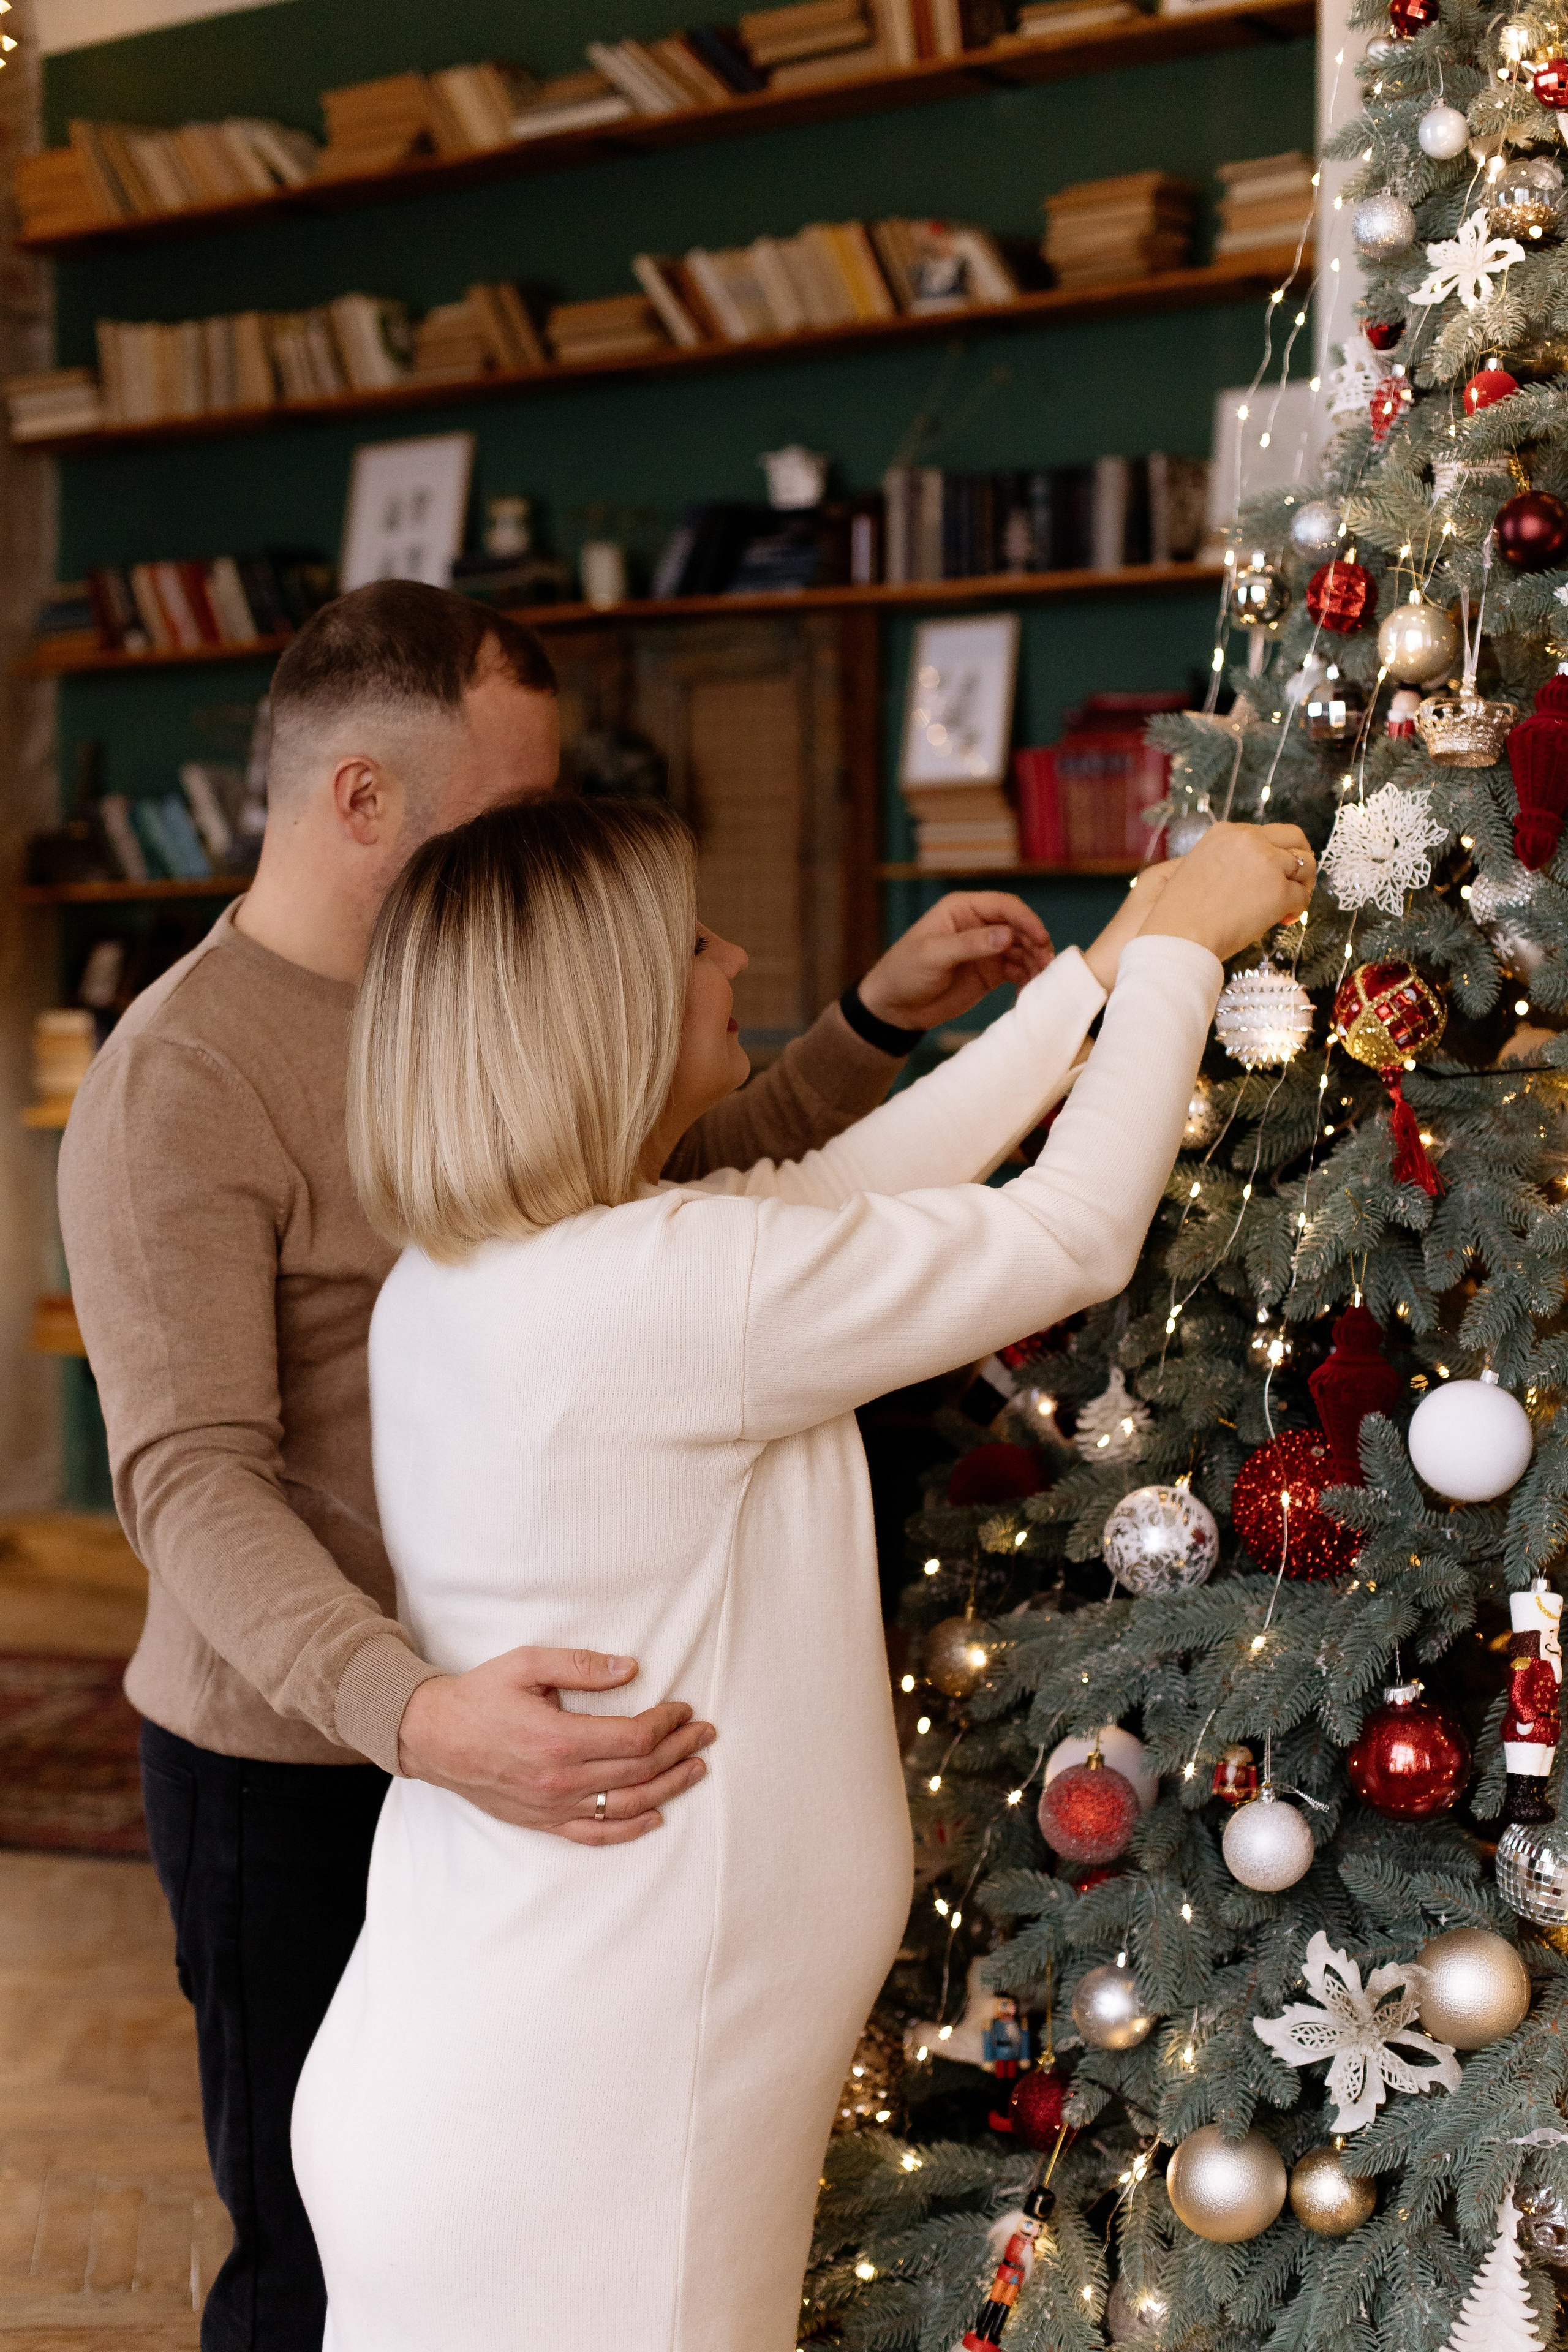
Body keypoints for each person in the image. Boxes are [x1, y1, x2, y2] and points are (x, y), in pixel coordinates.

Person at [56, 578, 1076, 2352]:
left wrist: (873, 1024)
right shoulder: (183, 1079)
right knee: (316, 2257)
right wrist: (416, 1716)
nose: (545, 857)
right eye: (515, 813)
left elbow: (673, 1204)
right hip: (306, 1754)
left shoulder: (477, 995)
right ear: (364, 801)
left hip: (507, 1734)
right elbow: (192, 1478)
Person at [293, 794, 1314, 2350]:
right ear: (603, 1014)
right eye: (690, 938)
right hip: (591, 2111)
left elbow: (848, 1190)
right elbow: (1065, 1237)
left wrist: (1094, 970)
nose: (732, 955)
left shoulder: (508, 1268)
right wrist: (1180, 952)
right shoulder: (667, 1294)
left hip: (517, 2062)